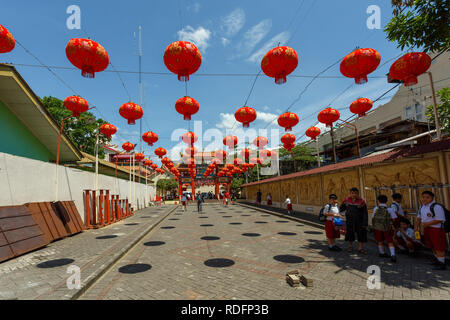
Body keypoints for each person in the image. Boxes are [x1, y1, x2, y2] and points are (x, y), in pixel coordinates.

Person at [415, 191, 447, 270]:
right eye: (423, 197)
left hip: (436, 229)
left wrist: (428, 224)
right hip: (427, 229)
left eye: (427, 197)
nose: (424, 199)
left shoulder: (436, 207)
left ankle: (442, 263)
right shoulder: (422, 206)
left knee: (439, 246)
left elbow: (440, 219)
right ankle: (438, 260)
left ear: (432, 198)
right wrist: (416, 226)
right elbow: (419, 217)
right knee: (431, 245)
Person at [340, 187, 369, 255]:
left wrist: (365, 223)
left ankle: (360, 248)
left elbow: (365, 213)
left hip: (360, 221)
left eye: (355, 193)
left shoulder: (361, 201)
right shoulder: (346, 200)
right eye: (352, 193)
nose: (354, 194)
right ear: (350, 193)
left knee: (361, 234)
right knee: (350, 233)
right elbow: (341, 208)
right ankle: (350, 247)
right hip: (350, 220)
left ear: (358, 194)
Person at [372, 195, 398, 263]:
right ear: (387, 201)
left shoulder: (376, 208)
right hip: (387, 227)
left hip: (378, 227)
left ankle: (381, 253)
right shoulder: (389, 209)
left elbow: (373, 217)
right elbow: (394, 219)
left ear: (378, 201)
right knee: (390, 241)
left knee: (380, 240)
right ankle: (393, 255)